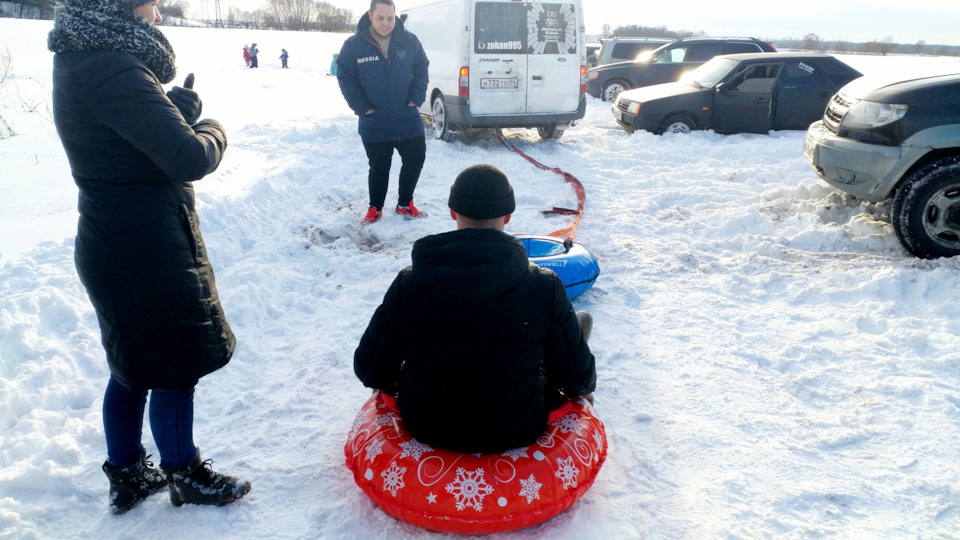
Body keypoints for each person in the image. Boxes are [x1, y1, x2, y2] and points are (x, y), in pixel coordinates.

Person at [47, 0, 250, 514]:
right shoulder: (112, 65)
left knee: (132, 367)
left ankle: (129, 472)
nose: (158, 14)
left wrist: (169, 114)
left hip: (115, 238)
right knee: (174, 366)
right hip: (142, 248)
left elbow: (117, 142)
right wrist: (213, 129)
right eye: (153, 5)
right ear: (126, 8)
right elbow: (189, 157)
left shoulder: (81, 56)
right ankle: (185, 474)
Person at [354, 164, 597, 453]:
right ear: (508, 216)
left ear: (453, 212)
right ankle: (569, 337)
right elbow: (580, 381)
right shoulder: (544, 287)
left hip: (427, 423)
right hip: (518, 425)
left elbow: (370, 370)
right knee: (546, 354)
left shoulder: (410, 284)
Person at [336, 0, 429, 224]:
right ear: (370, 14)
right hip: (373, 120)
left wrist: (416, 99)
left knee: (415, 159)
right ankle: (375, 208)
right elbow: (345, 77)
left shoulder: (409, 40)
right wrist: (361, 107)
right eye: (380, 18)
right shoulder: (354, 45)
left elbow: (421, 69)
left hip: (407, 117)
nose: (386, 23)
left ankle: (405, 204)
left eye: (390, 18)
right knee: (379, 166)